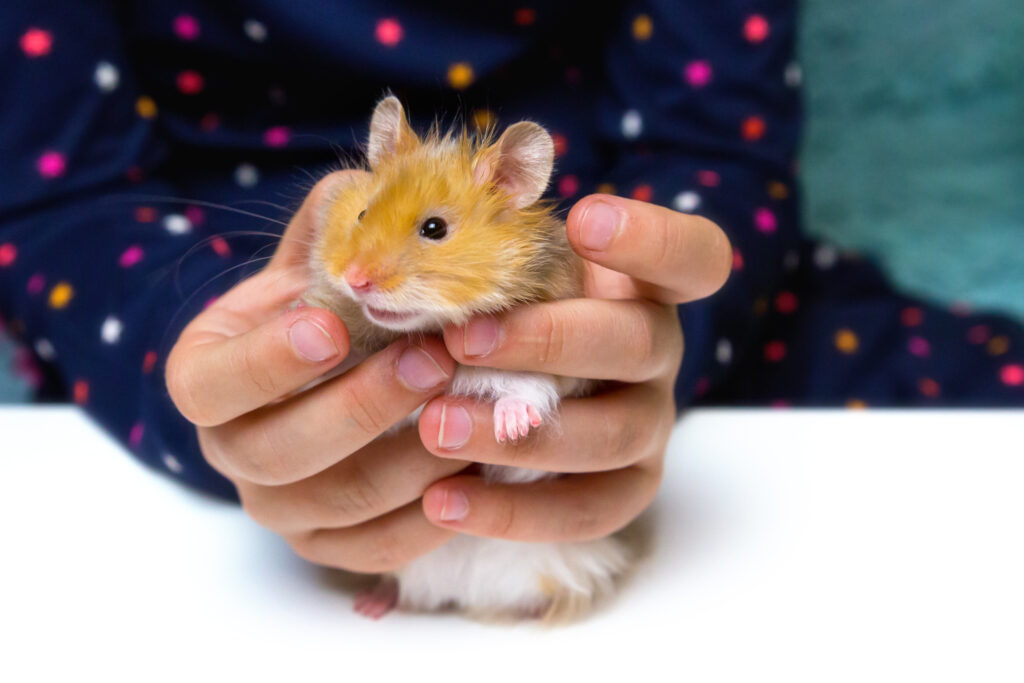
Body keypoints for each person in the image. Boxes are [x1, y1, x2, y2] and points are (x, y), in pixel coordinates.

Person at [1, 2, 1021, 573]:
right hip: (152, 293)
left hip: (709, 310)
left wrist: (640, 323)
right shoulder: (344, 250)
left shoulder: (536, 226)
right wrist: (208, 373)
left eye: (430, 234)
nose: (369, 271)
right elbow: (59, 194)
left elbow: (715, 151)